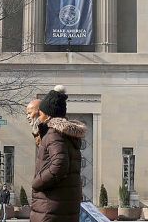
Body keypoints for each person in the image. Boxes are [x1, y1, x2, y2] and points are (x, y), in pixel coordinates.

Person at [31, 86, 86, 222]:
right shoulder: (67, 135)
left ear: (48, 115)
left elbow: (60, 164)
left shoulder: (54, 134)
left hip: (50, 206)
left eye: (41, 112)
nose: (39, 115)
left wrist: (38, 182)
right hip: (62, 205)